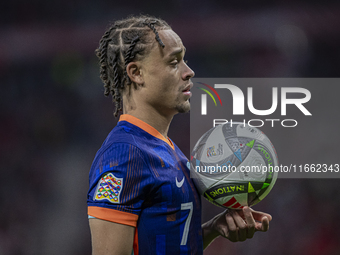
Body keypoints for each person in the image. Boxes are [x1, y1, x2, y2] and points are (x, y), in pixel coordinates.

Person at [87, 14, 272, 255]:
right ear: (136, 73)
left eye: (184, 60)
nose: (189, 72)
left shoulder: (167, 150)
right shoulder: (124, 154)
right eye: (174, 63)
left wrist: (212, 229)